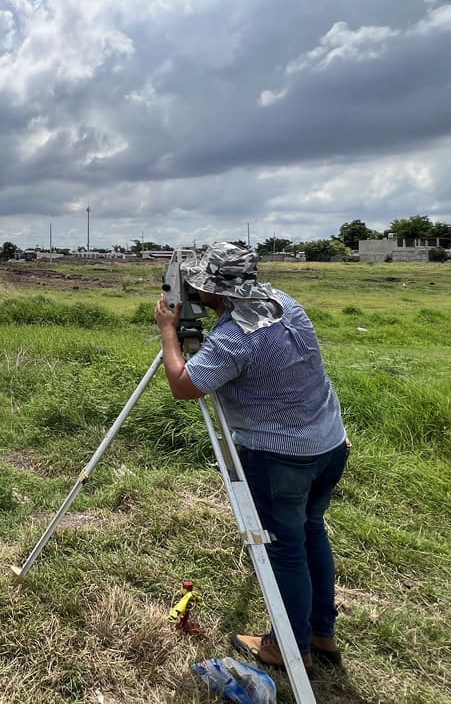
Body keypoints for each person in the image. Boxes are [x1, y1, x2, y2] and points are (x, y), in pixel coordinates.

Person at [153, 242, 348, 673]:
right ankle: (321, 634)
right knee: (311, 533)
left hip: (282, 458)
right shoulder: (285, 303)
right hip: (330, 445)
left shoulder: (233, 338)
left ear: (212, 291)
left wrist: (169, 332)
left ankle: (288, 648)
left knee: (285, 550)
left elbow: (184, 386)